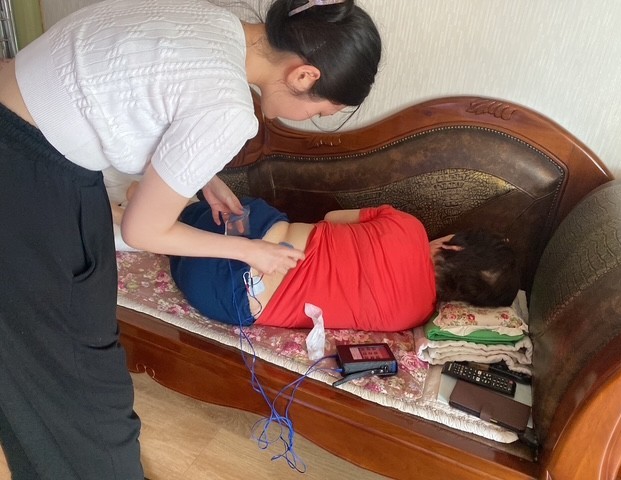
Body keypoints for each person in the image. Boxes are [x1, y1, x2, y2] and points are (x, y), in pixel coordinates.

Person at [0, 0, 382, 478]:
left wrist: (203, 179)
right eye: (321, 111)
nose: (309, 119)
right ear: (304, 76)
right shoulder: (230, 109)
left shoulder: (216, 19)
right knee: (79, 373)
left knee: (42, 340)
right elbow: (142, 230)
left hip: (17, 122)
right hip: (28, 170)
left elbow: (140, 98)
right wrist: (250, 251)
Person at [165, 197, 521, 332]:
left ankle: (154, 220)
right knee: (173, 249)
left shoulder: (409, 226)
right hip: (223, 297)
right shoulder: (414, 317)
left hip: (247, 230)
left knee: (175, 217)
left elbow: (332, 217)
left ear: (453, 247)